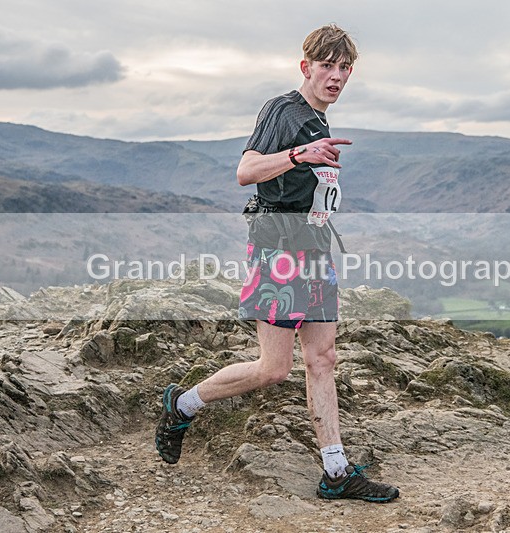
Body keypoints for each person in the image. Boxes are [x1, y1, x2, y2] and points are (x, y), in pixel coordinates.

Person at [155, 24, 399, 503]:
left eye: (344, 67)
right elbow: (246, 172)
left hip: (313, 251)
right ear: (305, 67)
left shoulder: (319, 118)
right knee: (273, 370)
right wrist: (297, 154)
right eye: (326, 66)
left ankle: (335, 471)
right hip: (277, 252)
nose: (336, 76)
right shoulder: (284, 111)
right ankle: (181, 404)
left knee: (323, 358)